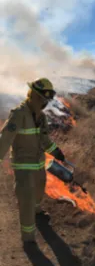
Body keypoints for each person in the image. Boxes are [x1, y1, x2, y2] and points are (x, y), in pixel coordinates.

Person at [0, 78, 66, 243]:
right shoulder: (19, 114)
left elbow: (44, 140)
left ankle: (37, 213)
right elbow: (6, 138)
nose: (45, 103)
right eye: (43, 99)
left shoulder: (41, 117)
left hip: (38, 164)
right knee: (26, 199)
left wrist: (56, 151)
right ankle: (28, 238)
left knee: (38, 191)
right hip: (23, 165)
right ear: (34, 96)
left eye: (47, 100)